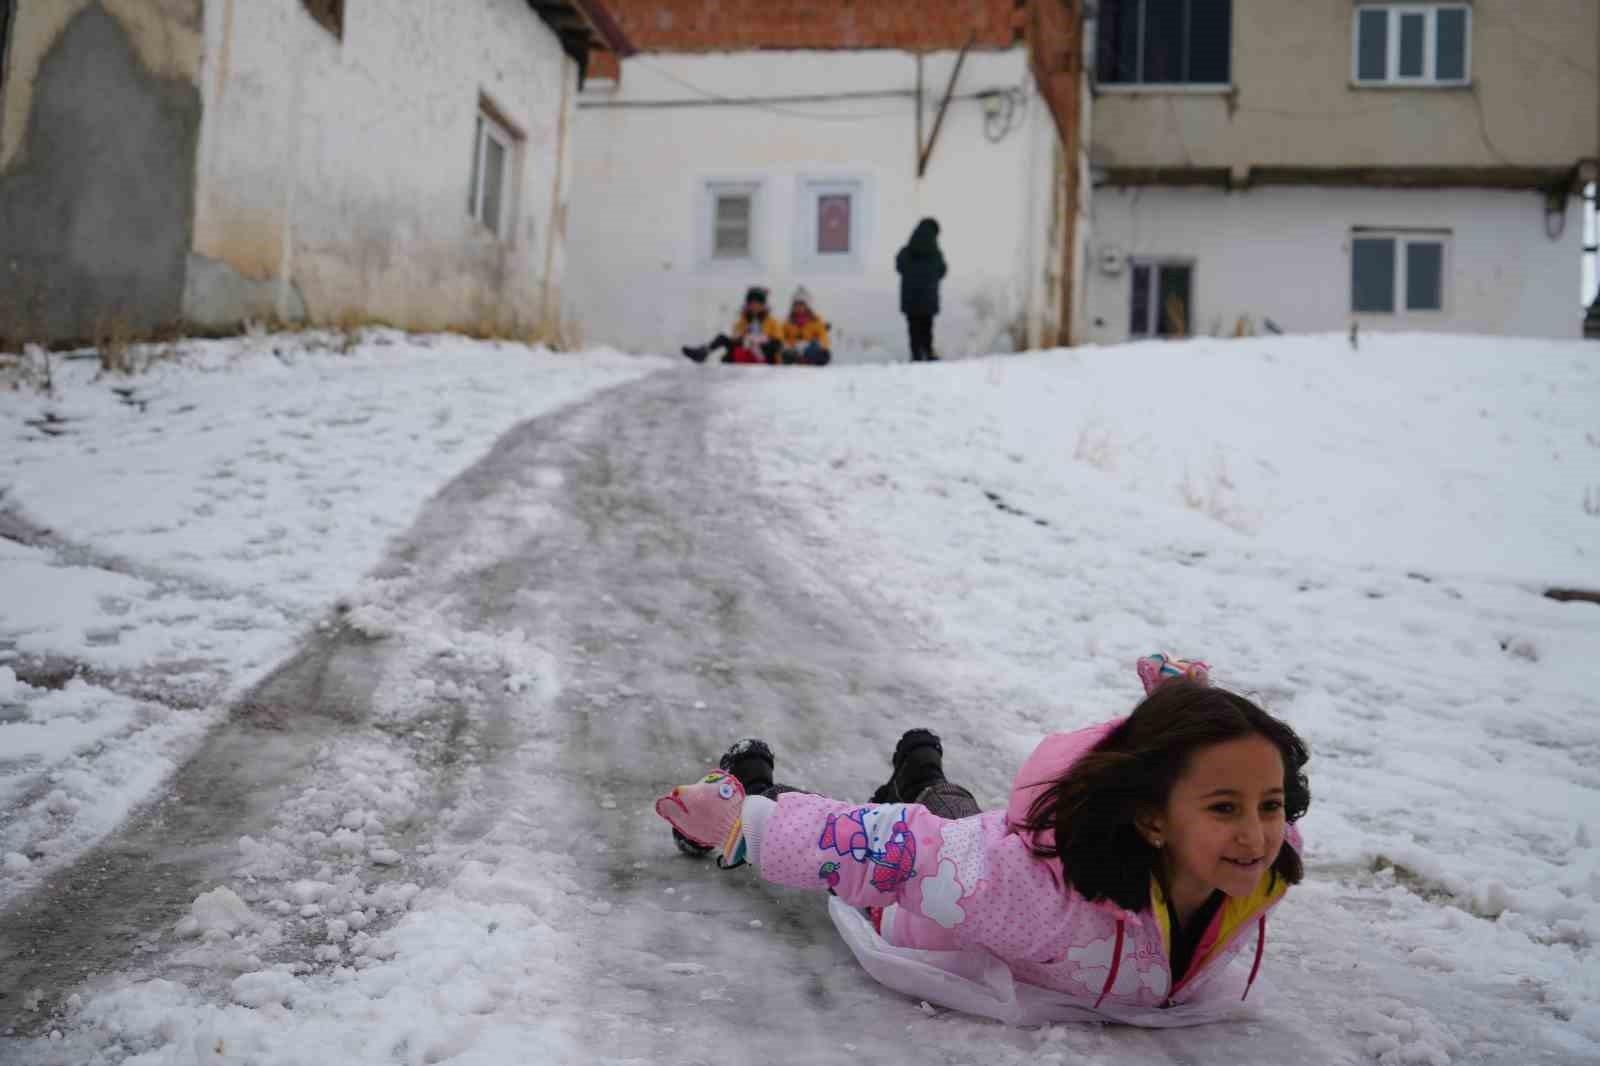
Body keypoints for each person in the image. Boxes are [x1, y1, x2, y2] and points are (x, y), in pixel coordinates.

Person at [655, 654, 1310, 1025]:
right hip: (931, 910)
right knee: (937, 845)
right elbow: (903, 853)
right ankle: (750, 783)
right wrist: (754, 826)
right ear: (1152, 819)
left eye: (1271, 805)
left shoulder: (1267, 863)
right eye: (1225, 809)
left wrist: (1185, 704)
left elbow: (1244, 782)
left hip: (984, 863)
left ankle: (920, 770)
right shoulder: (1040, 898)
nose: (1256, 835)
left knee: (962, 824)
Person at [682, 287, 784, 365]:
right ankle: (703, 352)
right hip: (745, 353)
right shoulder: (742, 321)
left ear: (763, 305)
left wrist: (757, 340)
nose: (754, 306)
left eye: (757, 304)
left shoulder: (772, 322)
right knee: (722, 338)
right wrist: (743, 339)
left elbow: (777, 344)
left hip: (764, 357)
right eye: (751, 303)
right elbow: (736, 337)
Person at [895, 218, 947, 362]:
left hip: (910, 298)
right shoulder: (936, 254)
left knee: (913, 328)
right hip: (928, 298)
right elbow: (942, 271)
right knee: (927, 327)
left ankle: (916, 354)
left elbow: (899, 266)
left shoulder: (906, 251)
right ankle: (928, 352)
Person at [778, 286, 832, 366]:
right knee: (786, 355)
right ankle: (798, 359)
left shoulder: (816, 322)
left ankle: (808, 360)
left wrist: (816, 345)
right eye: (796, 305)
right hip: (793, 351)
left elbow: (824, 338)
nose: (799, 308)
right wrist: (790, 345)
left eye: (801, 305)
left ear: (807, 306)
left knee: (824, 354)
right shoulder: (787, 323)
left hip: (811, 350)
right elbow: (781, 337)